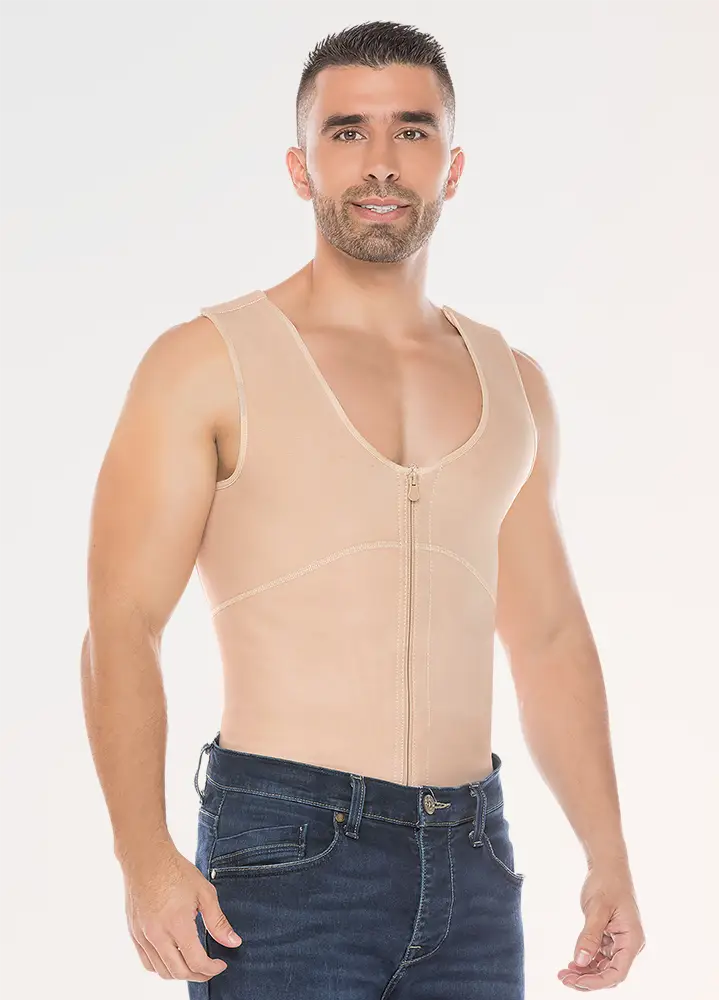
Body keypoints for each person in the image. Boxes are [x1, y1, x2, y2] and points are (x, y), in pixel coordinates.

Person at [80, 18, 645, 999]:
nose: (380, 161)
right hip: (285, 853)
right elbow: (121, 624)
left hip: (472, 859)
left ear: (451, 167)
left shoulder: (511, 383)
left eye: (410, 131)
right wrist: (144, 854)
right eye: (347, 132)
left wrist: (608, 855)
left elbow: (549, 637)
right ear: (299, 167)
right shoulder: (204, 364)